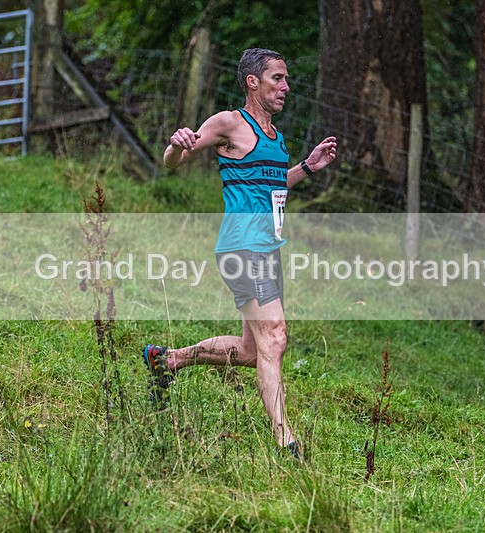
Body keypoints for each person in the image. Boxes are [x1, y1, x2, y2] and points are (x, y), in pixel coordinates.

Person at [143, 48, 337, 457]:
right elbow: (173, 162)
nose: (285, 87)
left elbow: (272, 186)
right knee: (276, 335)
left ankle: (167, 360)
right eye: (277, 79)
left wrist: (307, 166)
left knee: (253, 350)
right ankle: (287, 441)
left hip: (269, 248)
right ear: (253, 82)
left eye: (286, 80)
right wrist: (177, 146)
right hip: (242, 247)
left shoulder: (274, 136)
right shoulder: (231, 122)